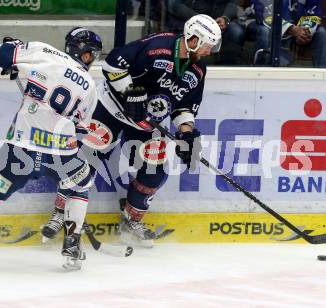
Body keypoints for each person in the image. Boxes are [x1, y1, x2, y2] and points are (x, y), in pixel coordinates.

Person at [41, 14, 221, 248]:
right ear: (193, 38)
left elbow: (185, 106)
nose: (210, 50)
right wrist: (130, 92)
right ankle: (61, 212)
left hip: (147, 123)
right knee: (84, 160)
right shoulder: (158, 47)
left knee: (154, 170)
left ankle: (130, 219)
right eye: (207, 45)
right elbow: (112, 63)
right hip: (112, 109)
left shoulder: (198, 69)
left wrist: (186, 133)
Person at [0, 27, 102, 271]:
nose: (92, 60)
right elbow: (81, 128)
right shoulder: (90, 86)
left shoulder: (43, 51)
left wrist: (14, 51)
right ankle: (72, 242)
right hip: (61, 155)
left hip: (19, 149)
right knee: (81, 184)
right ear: (84, 54)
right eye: (92, 54)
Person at [244, 0, 326, 67]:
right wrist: (291, 29)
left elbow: (314, 11)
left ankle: (324, 79)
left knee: (321, 33)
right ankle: (260, 76)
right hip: (260, 24)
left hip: (297, 28)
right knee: (264, 31)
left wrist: (305, 32)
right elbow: (263, 13)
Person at [165, 0, 244, 65]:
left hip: (216, 23)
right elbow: (173, 5)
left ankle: (226, 70)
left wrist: (225, 17)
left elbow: (233, 4)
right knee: (183, 40)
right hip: (189, 21)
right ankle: (181, 68)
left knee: (236, 32)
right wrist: (200, 20)